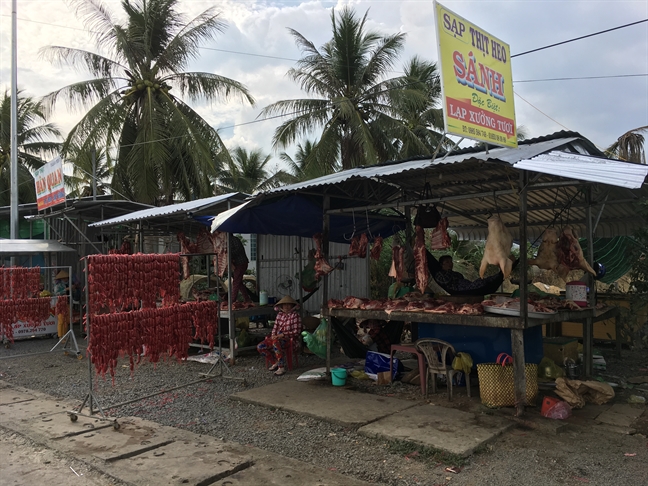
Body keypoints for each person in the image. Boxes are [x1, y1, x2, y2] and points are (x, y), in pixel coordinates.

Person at [429, 252, 517, 296]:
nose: (450, 264)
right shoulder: (439, 274)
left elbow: (462, 279)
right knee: (482, 282)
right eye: (447, 262)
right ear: (441, 264)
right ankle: (504, 270)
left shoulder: (455, 273)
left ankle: (503, 271)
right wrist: (448, 271)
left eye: (451, 262)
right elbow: (445, 281)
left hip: (469, 287)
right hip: (461, 290)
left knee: (487, 280)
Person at [256, 295, 303, 376]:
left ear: (292, 306)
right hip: (277, 338)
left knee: (275, 343)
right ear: (281, 306)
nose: (286, 307)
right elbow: (275, 328)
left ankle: (281, 367)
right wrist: (274, 335)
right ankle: (275, 362)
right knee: (260, 347)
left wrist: (283, 334)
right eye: (284, 305)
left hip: (290, 340)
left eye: (289, 304)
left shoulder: (295, 315)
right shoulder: (279, 315)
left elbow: (297, 331)